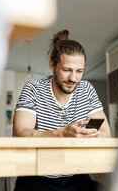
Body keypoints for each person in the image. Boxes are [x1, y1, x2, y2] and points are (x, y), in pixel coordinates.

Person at [13, 29, 111, 191]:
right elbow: (20, 133)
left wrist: (89, 136)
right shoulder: (33, 89)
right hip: (36, 175)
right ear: (52, 65)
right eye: (67, 70)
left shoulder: (86, 89)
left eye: (79, 71)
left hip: (77, 176)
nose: (73, 78)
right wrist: (62, 133)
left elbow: (106, 133)